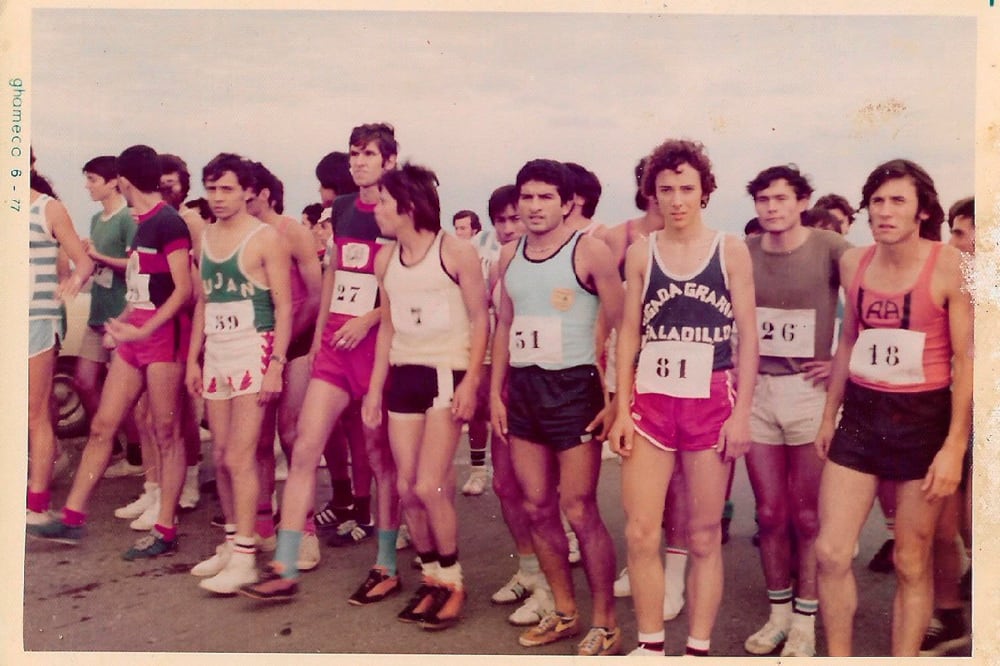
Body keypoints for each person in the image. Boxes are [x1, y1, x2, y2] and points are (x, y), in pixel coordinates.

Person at [814, 159, 972, 657]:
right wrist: (828, 415)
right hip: (861, 415)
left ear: (922, 210)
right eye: (877, 201)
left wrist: (954, 447)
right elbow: (848, 343)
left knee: (910, 560)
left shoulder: (949, 264)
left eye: (897, 200)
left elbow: (967, 360)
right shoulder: (852, 263)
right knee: (831, 552)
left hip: (923, 419)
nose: (884, 211)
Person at [239, 122, 401, 602]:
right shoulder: (343, 208)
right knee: (305, 447)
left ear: (389, 160)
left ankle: (387, 561)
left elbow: (406, 280)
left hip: (376, 347)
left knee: (378, 456)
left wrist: (370, 319)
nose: (359, 161)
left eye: (369, 154)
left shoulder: (400, 210)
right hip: (333, 347)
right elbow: (333, 273)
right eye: (354, 153)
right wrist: (320, 339)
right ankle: (284, 566)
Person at [608, 138, 757, 657]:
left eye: (686, 188)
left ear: (705, 192)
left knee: (702, 536)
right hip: (651, 400)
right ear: (652, 193)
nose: (676, 199)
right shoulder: (640, 253)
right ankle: (651, 648)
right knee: (643, 531)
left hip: (711, 398)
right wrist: (622, 405)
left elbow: (749, 337)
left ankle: (696, 648)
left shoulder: (729, 249)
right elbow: (629, 331)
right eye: (665, 189)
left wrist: (742, 415)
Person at [28, 145, 190, 562]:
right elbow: (141, 288)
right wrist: (124, 322)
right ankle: (72, 517)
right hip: (137, 337)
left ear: (123, 179)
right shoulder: (139, 223)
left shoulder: (168, 222)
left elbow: (183, 290)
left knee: (166, 433)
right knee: (102, 425)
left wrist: (145, 327)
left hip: (163, 339)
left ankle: (166, 529)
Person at [491, 159, 624, 656]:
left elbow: (622, 323)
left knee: (579, 508)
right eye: (527, 196)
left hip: (574, 389)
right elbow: (504, 325)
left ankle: (606, 622)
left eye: (546, 197)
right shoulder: (508, 257)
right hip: (524, 390)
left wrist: (616, 400)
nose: (534, 206)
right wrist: (494, 394)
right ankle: (565, 611)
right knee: (537, 507)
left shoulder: (589, 252)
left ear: (569, 203)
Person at [360, 163, 488, 629]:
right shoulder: (385, 260)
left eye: (385, 203)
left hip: (444, 373)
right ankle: (432, 578)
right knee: (405, 488)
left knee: (428, 486)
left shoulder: (454, 252)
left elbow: (480, 318)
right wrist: (375, 389)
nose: (376, 210)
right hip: (403, 375)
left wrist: (472, 380)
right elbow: (388, 326)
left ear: (408, 207)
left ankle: (453, 581)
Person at [741, 164, 849, 657]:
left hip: (808, 393)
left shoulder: (831, 249)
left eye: (781, 198)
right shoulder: (743, 252)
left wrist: (839, 362)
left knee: (808, 516)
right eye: (763, 199)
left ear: (802, 201)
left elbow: (877, 296)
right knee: (769, 512)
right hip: (758, 391)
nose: (771, 208)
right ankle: (778, 615)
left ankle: (806, 620)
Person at [185, 153, 292, 593]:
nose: (218, 197)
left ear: (248, 191)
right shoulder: (206, 236)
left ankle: (247, 553)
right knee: (221, 456)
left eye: (227, 188)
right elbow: (204, 302)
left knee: (239, 456)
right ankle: (232, 541)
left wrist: (276, 365)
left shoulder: (266, 238)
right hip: (218, 353)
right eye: (212, 188)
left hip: (254, 348)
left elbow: (285, 305)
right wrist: (194, 357)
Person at [244, 161, 323, 569]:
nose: (244, 201)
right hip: (253, 343)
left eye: (251, 195)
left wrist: (286, 340)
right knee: (256, 440)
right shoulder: (239, 235)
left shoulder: (292, 232)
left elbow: (315, 294)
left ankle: (304, 529)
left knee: (292, 436)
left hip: (295, 341)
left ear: (268, 195)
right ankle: (261, 521)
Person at [26, 152, 95, 524]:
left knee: (35, 415)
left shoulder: (48, 209)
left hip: (36, 319)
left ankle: (36, 506)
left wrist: (74, 281)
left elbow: (82, 261)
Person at [920, 195, 975, 656]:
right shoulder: (948, 283)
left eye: (961, 233)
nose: (951, 243)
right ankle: (950, 613)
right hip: (950, 418)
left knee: (979, 526)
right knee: (941, 526)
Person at [75, 156, 140, 477]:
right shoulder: (95, 220)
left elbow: (134, 266)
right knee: (84, 381)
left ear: (114, 181)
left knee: (121, 390)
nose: (87, 186)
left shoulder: (128, 218)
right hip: (97, 312)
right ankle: (112, 445)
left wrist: (97, 256)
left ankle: (136, 454)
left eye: (92, 180)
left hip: (120, 315)